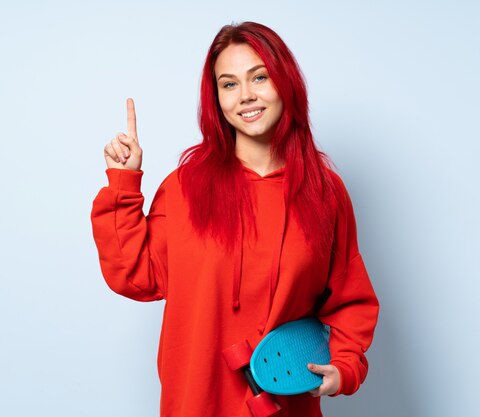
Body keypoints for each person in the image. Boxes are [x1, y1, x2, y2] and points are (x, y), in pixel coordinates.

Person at [90, 21, 380, 417]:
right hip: (195, 404)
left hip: (286, 407)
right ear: (217, 101)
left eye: (259, 77)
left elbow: (351, 300)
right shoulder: (184, 188)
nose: (246, 96)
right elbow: (134, 273)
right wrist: (124, 183)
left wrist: (344, 367)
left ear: (285, 83)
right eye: (229, 84)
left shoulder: (325, 193)